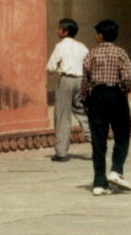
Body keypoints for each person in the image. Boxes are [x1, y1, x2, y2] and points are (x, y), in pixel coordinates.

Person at [81, 19, 131, 195]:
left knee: (98, 141)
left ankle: (99, 183)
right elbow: (128, 75)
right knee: (122, 134)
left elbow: (85, 81)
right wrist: (125, 89)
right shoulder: (120, 53)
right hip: (116, 95)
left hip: (97, 97)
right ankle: (116, 170)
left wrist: (85, 101)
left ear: (100, 35)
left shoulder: (91, 54)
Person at [46, 17, 89, 161]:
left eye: (59, 28)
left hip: (66, 80)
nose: (57, 31)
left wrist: (57, 68)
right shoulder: (81, 46)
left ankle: (61, 152)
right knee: (83, 112)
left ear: (65, 32)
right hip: (81, 80)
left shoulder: (60, 46)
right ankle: (97, 144)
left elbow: (50, 67)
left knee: (62, 115)